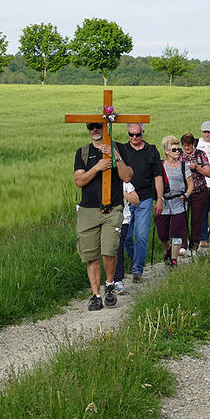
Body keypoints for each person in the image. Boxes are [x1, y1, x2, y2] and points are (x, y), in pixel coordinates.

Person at [74, 122, 134, 310]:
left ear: (106, 127)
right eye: (91, 128)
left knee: (109, 250)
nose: (95, 131)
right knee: (91, 255)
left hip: (112, 208)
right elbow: (79, 180)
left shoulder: (120, 147)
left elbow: (127, 176)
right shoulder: (82, 152)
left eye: (99, 127)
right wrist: (98, 167)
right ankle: (95, 295)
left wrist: (116, 156)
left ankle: (109, 285)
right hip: (88, 210)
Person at [120, 123, 164, 283]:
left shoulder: (151, 151)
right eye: (131, 135)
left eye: (137, 135)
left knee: (141, 236)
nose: (134, 138)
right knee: (125, 237)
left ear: (142, 133)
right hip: (125, 200)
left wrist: (159, 198)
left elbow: (157, 176)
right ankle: (133, 259)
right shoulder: (122, 150)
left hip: (145, 199)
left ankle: (137, 269)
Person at [155, 135, 194, 267]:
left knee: (177, 232)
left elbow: (191, 184)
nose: (177, 152)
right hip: (164, 202)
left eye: (178, 150)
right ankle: (168, 250)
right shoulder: (160, 166)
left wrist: (187, 195)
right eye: (174, 149)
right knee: (162, 234)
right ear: (166, 151)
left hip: (179, 202)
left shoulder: (184, 166)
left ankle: (174, 260)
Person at [179, 133, 210, 253]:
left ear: (193, 144)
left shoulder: (201, 154)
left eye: (189, 145)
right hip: (184, 191)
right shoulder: (179, 155)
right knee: (183, 217)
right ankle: (182, 245)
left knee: (197, 218)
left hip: (199, 191)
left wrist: (197, 167)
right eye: (184, 146)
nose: (186, 148)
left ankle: (194, 245)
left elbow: (208, 173)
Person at [112, 180, 139, 294]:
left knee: (118, 246)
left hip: (123, 220)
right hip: (106, 220)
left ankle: (118, 279)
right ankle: (110, 278)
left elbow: (136, 200)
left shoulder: (125, 183)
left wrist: (122, 193)